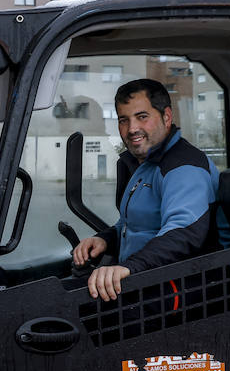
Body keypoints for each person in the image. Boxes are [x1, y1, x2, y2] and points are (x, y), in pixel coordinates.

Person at [72, 78, 221, 302]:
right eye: (124, 120)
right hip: (143, 278)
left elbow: (183, 232)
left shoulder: (183, 166)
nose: (132, 129)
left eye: (142, 117)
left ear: (166, 116)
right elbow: (133, 224)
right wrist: (106, 239)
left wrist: (129, 267)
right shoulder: (146, 164)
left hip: (177, 288)